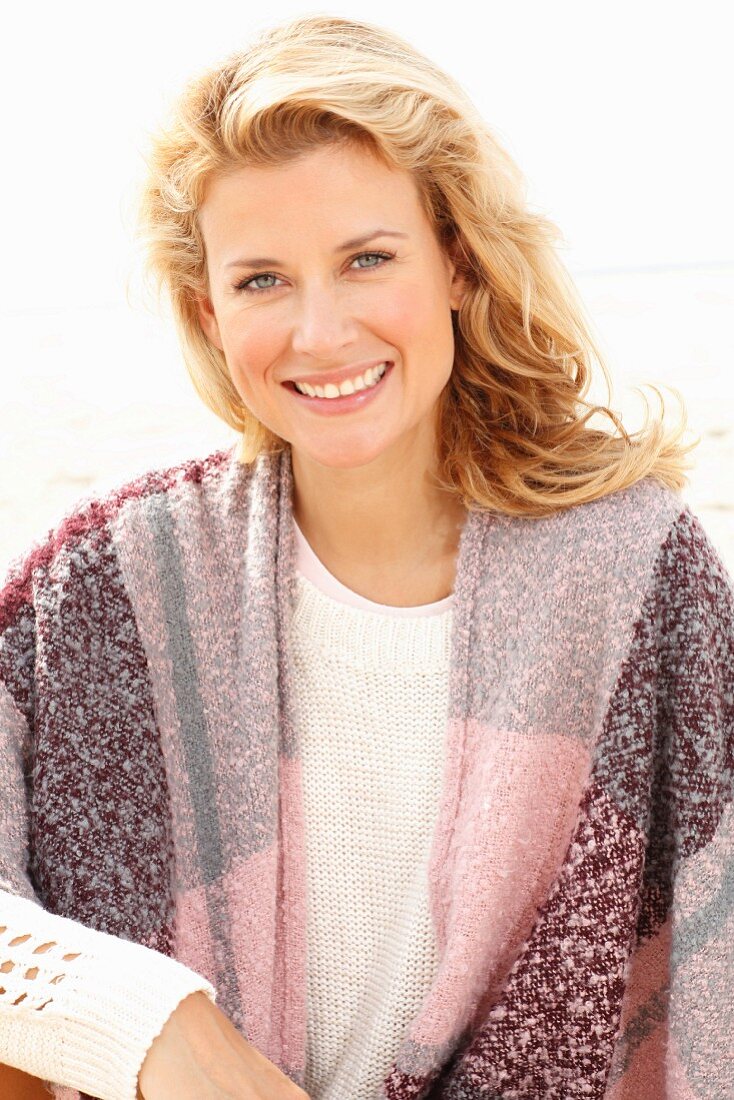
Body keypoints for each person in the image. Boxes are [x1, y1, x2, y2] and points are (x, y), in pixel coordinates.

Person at [1, 13, 732, 1100]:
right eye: (261, 280)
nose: (320, 330)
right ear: (209, 309)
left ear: (454, 260)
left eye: (365, 258)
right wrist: (155, 1023)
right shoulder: (108, 586)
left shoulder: (628, 575)